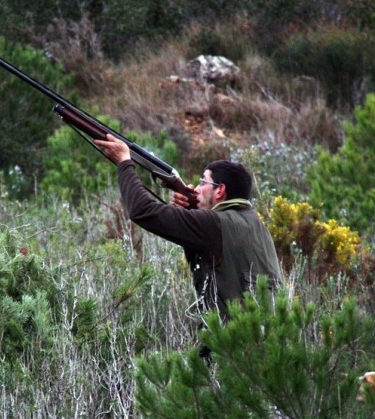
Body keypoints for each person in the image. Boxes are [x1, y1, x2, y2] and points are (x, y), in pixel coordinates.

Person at [93, 133, 283, 356]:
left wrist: (125, 163)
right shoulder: (253, 222)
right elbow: (212, 254)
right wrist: (191, 211)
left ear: (220, 190)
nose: (197, 188)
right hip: (265, 351)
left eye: (203, 182)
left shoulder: (215, 224)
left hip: (230, 352)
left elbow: (142, 211)